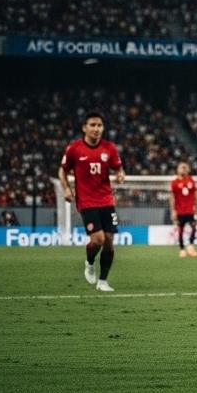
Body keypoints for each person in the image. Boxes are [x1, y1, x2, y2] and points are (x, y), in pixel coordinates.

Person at [59, 111, 124, 292]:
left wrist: (120, 175)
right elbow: (62, 170)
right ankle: (89, 262)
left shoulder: (109, 148)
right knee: (98, 239)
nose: (96, 129)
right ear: (84, 128)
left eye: (99, 125)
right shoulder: (74, 149)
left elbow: (119, 168)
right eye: (93, 125)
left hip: (106, 200)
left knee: (109, 240)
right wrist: (66, 188)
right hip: (87, 201)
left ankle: (103, 282)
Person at [170, 162, 197, 259]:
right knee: (180, 229)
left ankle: (190, 245)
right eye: (181, 167)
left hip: (190, 210)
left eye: (185, 167)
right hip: (180, 211)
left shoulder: (191, 181)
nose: (183, 169)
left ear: (188, 169)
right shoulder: (174, 183)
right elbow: (172, 197)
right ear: (177, 170)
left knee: (194, 227)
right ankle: (182, 249)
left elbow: (196, 195)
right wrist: (173, 210)